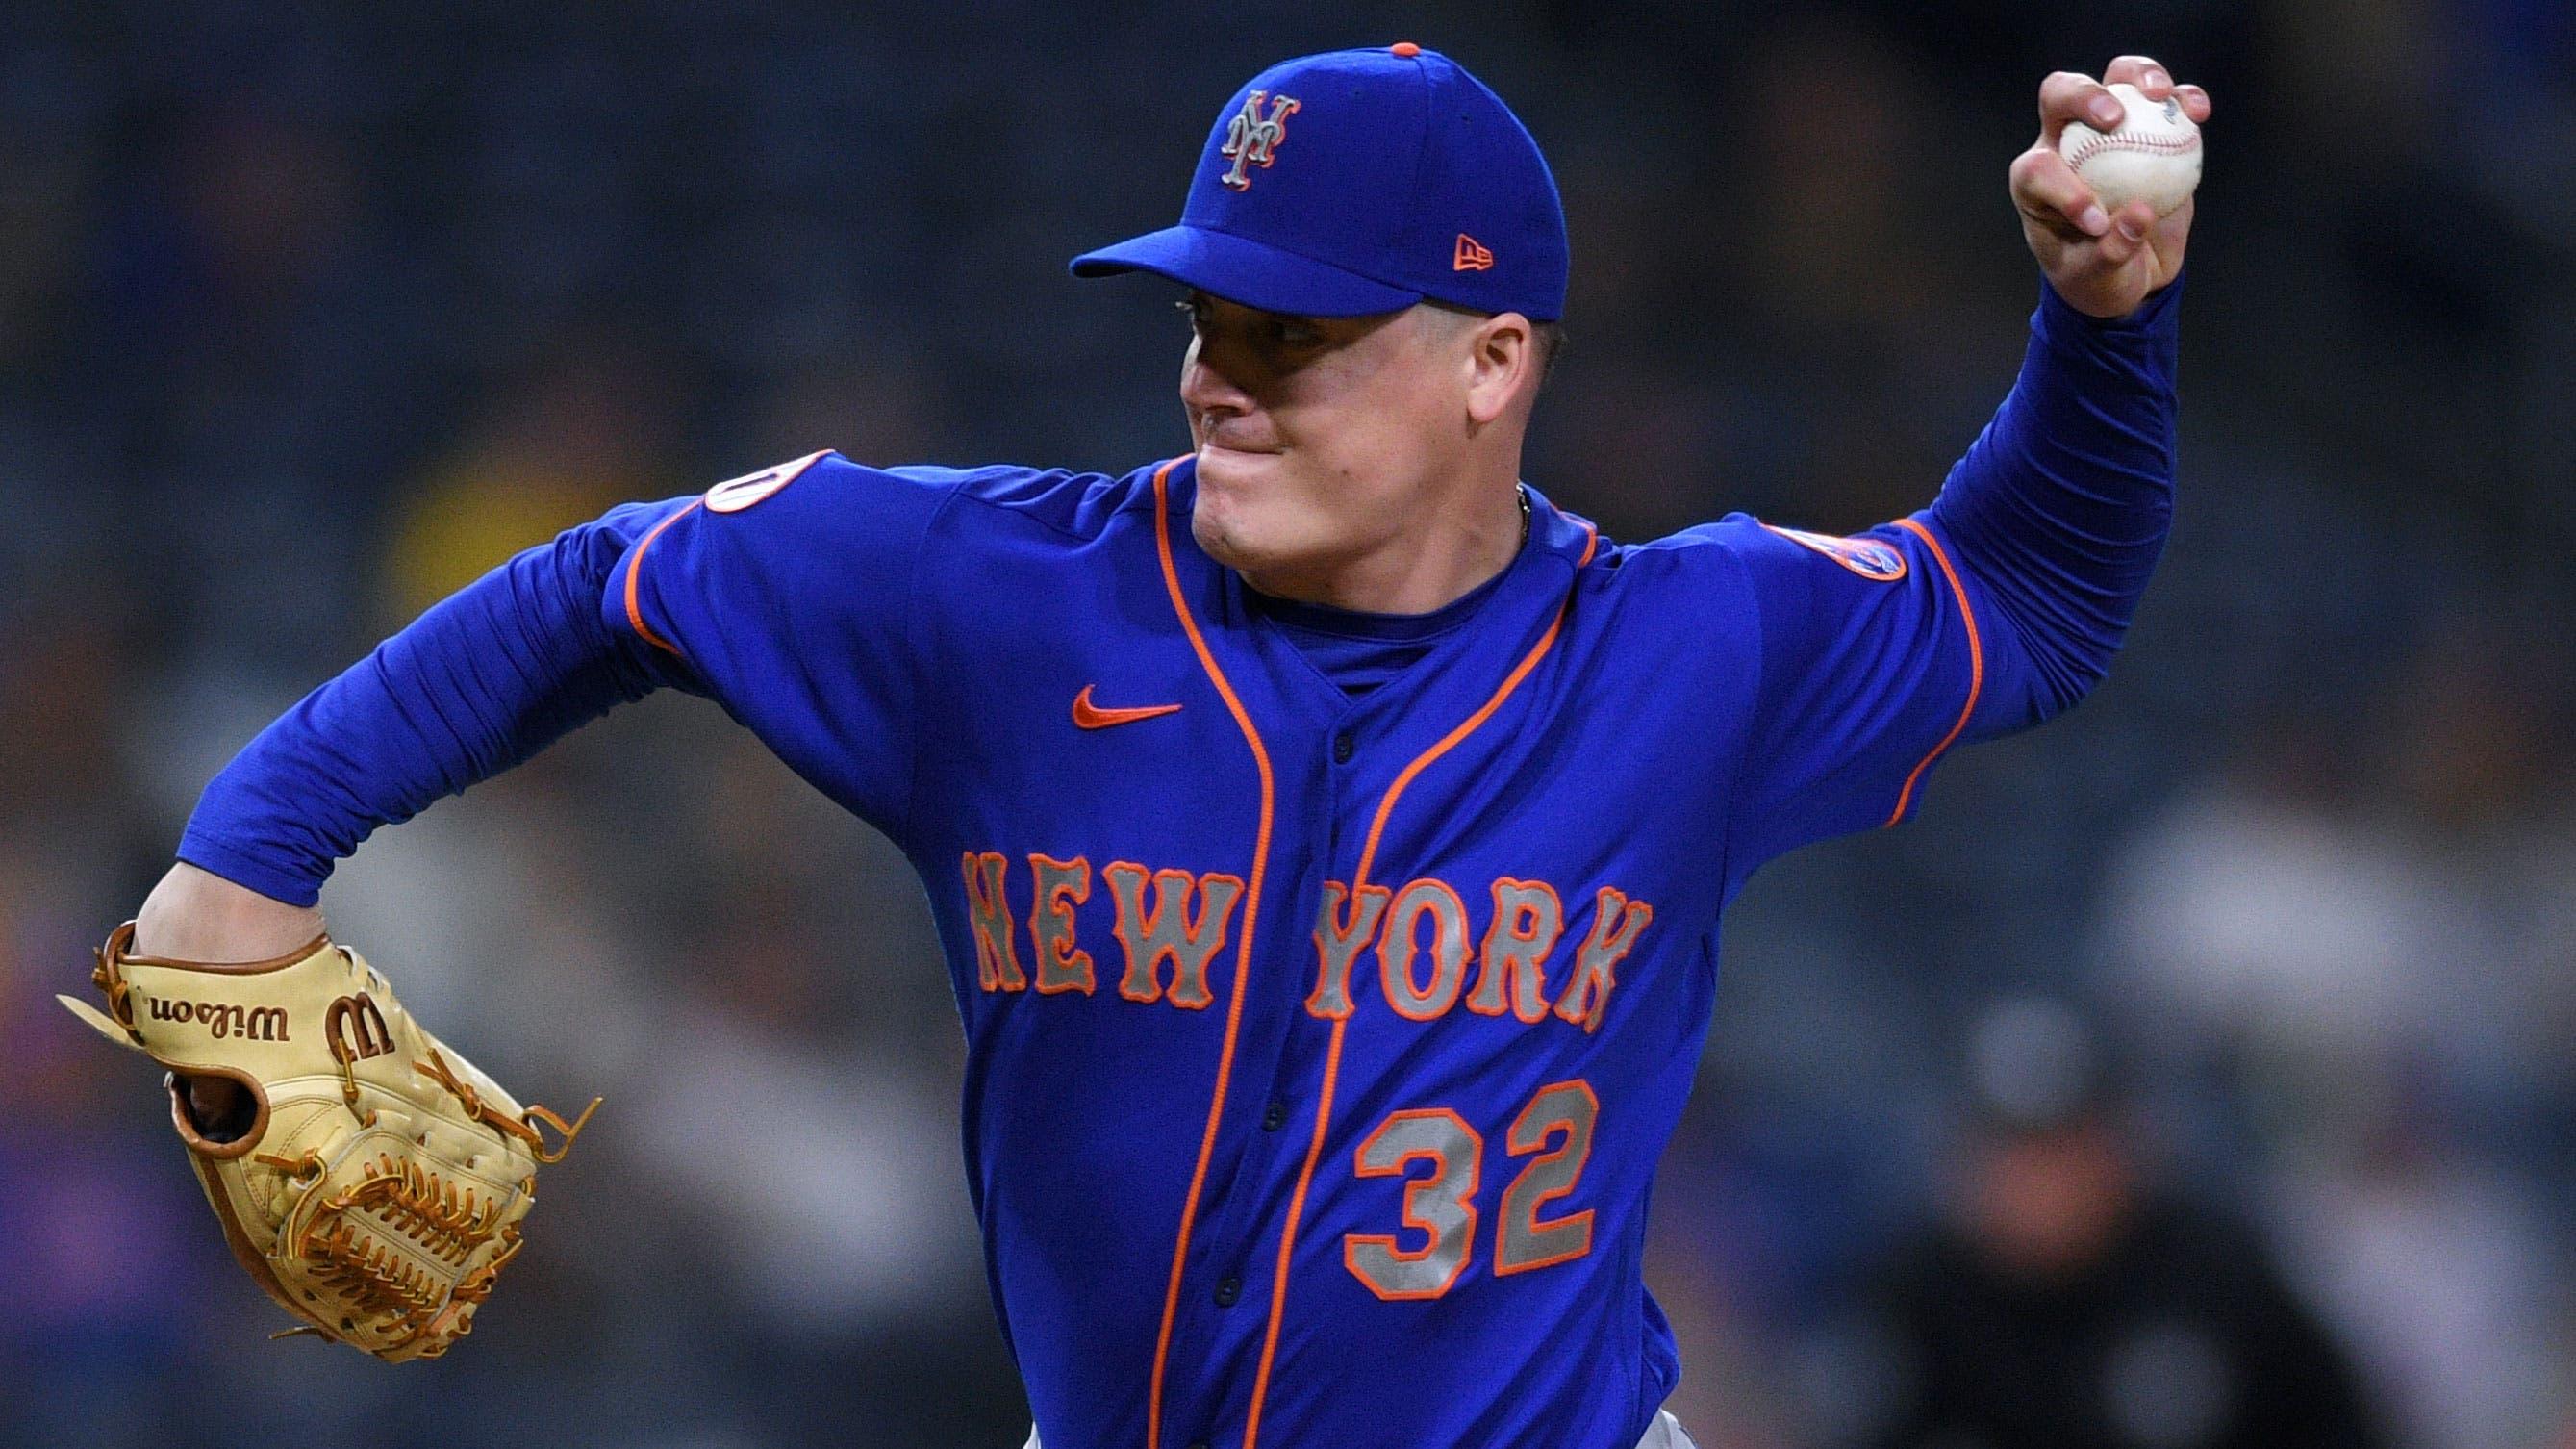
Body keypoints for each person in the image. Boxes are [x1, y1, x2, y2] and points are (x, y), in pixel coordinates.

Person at [124, 42, 2203, 1449]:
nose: (1220, 378)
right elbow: (608, 584)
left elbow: (2023, 598)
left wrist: (2102, 327)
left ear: (1494, 363)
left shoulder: (1685, 647)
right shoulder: (998, 598)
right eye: (1207, 317)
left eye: (1295, 335)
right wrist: (255, 843)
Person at [1845, 998, 2385, 1449]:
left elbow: (2340, 1423)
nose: (2044, 1182)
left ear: (2123, 1147)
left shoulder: (2217, 1278)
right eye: (2018, 1153)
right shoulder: (1906, 1302)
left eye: (2067, 1147)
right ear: (1964, 1164)